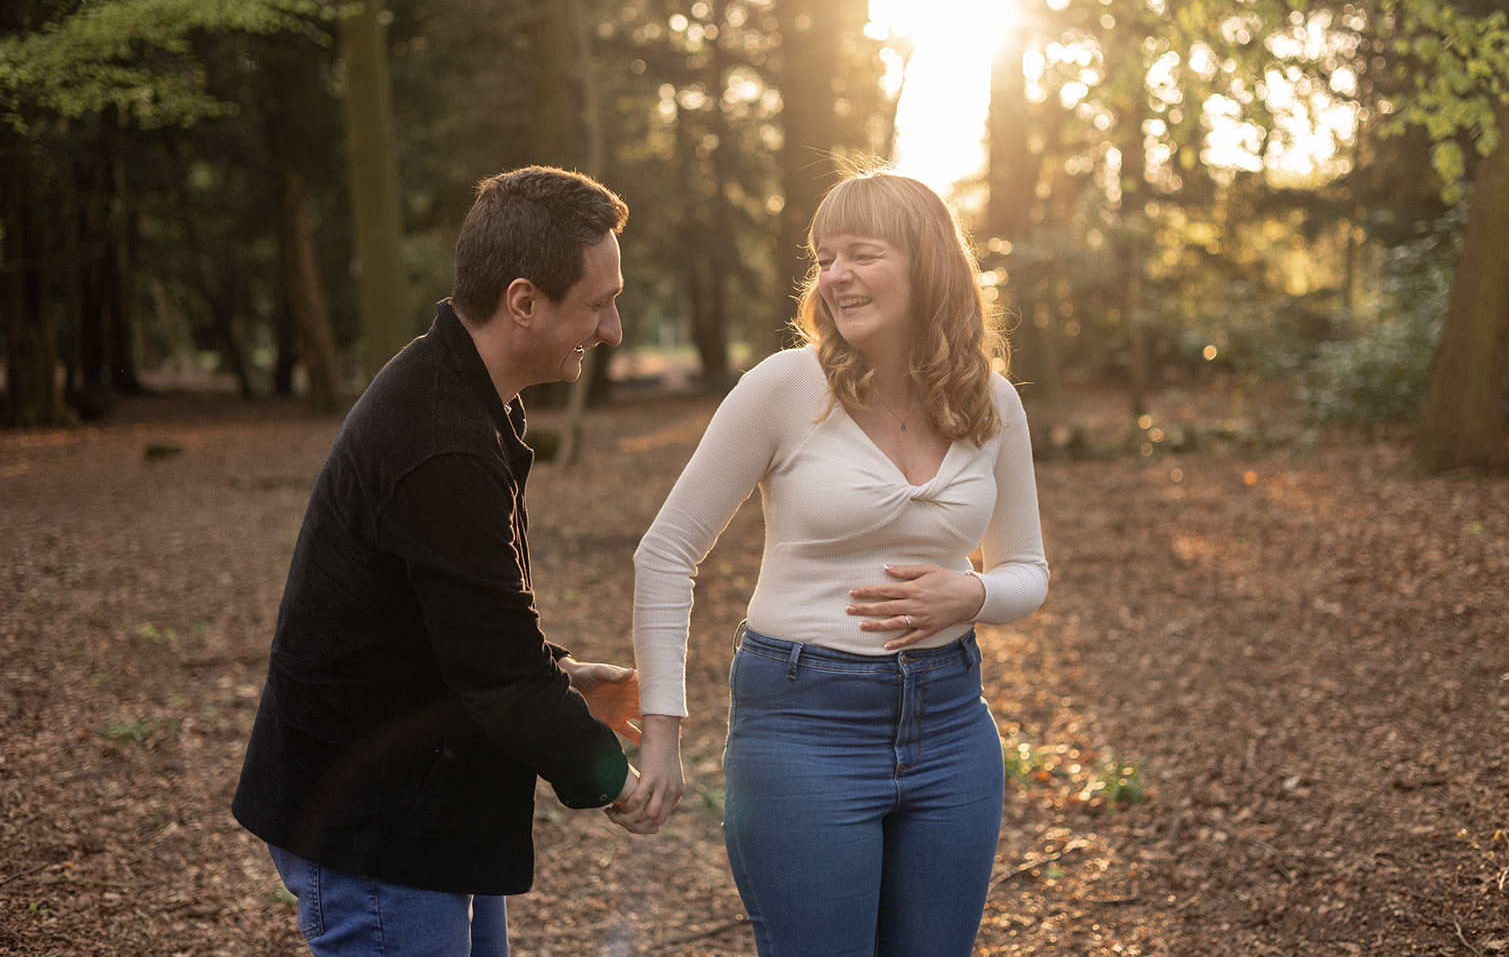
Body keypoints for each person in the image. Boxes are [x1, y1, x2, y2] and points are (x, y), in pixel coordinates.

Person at [231, 165, 654, 957]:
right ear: (523, 300)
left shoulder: (467, 397)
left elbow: (456, 621)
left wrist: (558, 672)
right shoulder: (442, 439)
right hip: (374, 828)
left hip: (425, 803)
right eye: (599, 304)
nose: (613, 330)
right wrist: (616, 781)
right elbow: (495, 669)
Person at [627, 169, 1050, 956]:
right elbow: (667, 552)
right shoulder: (785, 387)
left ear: (927, 264)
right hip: (802, 727)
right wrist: (662, 732)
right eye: (825, 259)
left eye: (861, 253)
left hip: (953, 726)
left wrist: (974, 592)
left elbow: (1028, 568)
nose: (835, 277)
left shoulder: (993, 401)